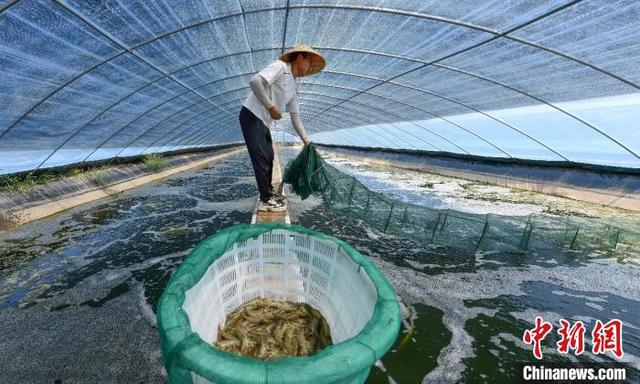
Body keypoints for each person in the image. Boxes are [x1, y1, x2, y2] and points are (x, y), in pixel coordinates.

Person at [239, 44, 326, 212]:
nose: (310, 68)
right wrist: (271, 106)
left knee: (270, 157)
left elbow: (295, 116)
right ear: (300, 58)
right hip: (251, 115)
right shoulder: (281, 67)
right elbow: (255, 82)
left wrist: (306, 141)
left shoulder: (293, 86)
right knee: (261, 158)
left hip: (263, 122)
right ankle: (266, 201)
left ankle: (269, 194)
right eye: (310, 62)